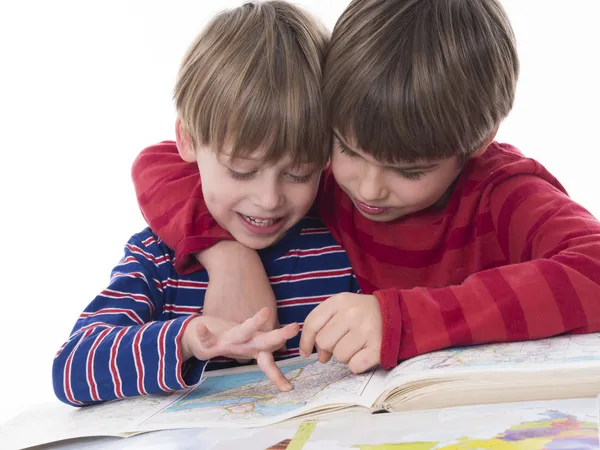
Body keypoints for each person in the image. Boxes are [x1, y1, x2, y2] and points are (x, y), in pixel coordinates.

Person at [131, 0, 600, 375]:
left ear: (479, 139)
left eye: (410, 171)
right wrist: (229, 257)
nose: (370, 189)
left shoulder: (502, 193)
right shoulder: (321, 181)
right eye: (348, 149)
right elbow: (159, 163)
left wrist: (405, 319)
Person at [53, 1, 361, 407]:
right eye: (241, 170)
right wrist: (187, 339)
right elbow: (72, 370)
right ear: (188, 140)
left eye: (299, 174)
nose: (269, 200)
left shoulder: (344, 239)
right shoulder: (159, 258)